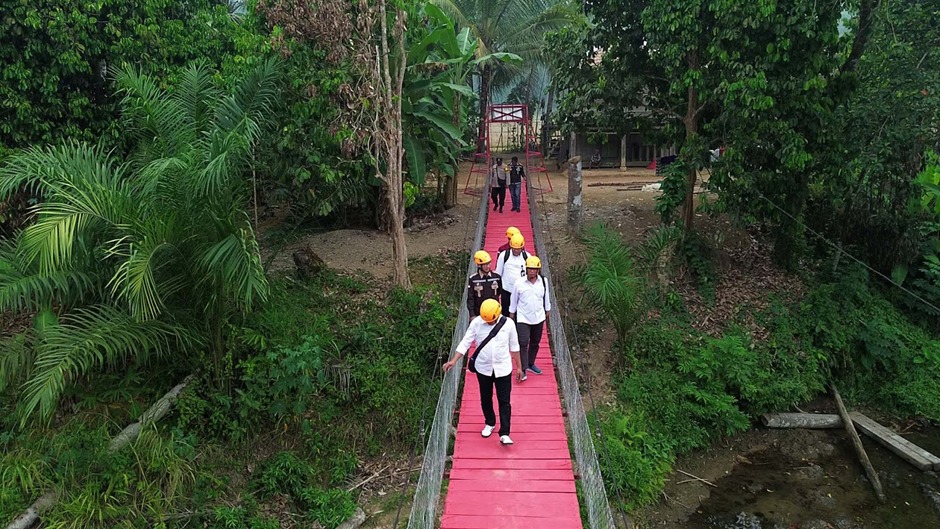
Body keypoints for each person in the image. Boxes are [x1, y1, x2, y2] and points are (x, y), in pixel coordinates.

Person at [443, 299, 523, 445]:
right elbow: (466, 342)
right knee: (485, 398)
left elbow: (514, 346)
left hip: (503, 368)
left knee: (504, 400)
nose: (488, 324)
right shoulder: (477, 323)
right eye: (487, 321)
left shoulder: (508, 324)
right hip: (483, 368)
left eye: (491, 321)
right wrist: (453, 361)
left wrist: (519, 367)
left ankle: (505, 433)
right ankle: (490, 422)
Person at [509, 256, 551, 381]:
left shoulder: (543, 281)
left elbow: (546, 296)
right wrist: (512, 313)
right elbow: (514, 299)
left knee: (535, 342)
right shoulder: (519, 283)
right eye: (530, 269)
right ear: (526, 269)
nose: (532, 271)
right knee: (523, 342)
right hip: (523, 317)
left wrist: (548, 309)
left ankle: (530, 364)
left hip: (538, 316)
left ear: (538, 270)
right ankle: (522, 369)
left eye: (534, 269)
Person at [495, 233, 528, 317]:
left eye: (518, 249)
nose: (516, 251)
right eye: (514, 248)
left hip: (522, 292)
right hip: (507, 291)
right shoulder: (504, 256)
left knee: (521, 315)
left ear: (522, 247)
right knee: (506, 314)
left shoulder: (527, 256)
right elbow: (498, 273)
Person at [466, 250, 502, 319]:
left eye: (489, 263)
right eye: (485, 264)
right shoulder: (473, 279)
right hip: (479, 314)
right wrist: (472, 315)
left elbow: (499, 292)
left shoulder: (496, 277)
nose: (488, 266)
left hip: (494, 313)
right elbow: (471, 298)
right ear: (479, 265)